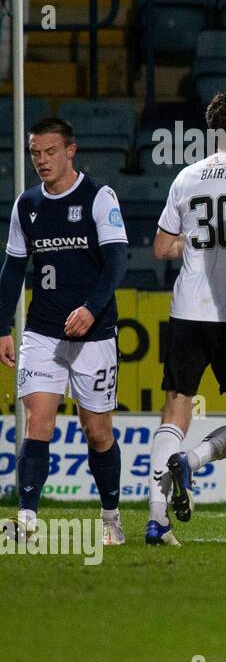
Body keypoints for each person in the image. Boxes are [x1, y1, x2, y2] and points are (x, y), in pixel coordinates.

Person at [0, 118, 129, 545]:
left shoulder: (98, 197)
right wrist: (3, 327)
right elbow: (14, 268)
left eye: (49, 151)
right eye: (35, 152)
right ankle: (27, 520)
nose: (41, 160)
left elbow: (116, 264)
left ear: (70, 151)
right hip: (43, 332)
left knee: (98, 431)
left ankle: (110, 518)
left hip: (93, 335)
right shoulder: (27, 204)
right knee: (38, 421)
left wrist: (92, 310)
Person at [145, 90, 226, 546]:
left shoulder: (187, 177)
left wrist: (190, 244)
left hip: (188, 309)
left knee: (175, 407)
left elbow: (160, 247)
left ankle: (156, 518)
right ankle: (193, 459)